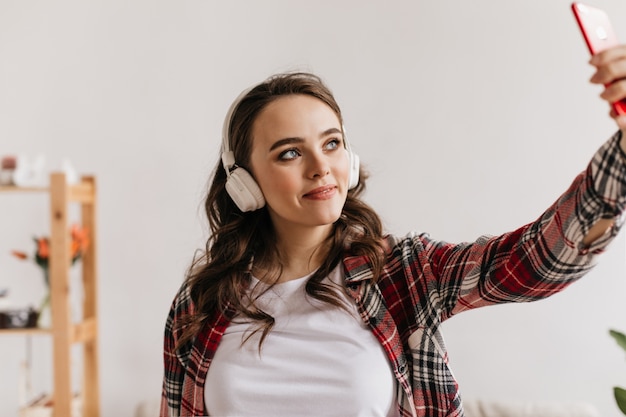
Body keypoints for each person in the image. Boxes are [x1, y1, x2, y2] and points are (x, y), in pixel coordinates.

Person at [161, 44, 626, 417]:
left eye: (332, 143)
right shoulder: (200, 304)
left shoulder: (403, 273)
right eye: (289, 153)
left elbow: (536, 262)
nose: (322, 168)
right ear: (245, 183)